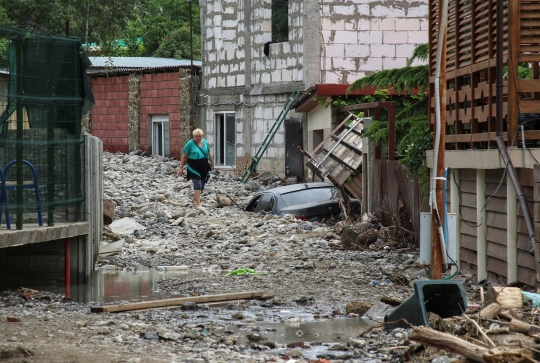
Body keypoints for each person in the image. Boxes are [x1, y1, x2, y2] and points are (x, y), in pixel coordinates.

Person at [178, 129, 214, 207]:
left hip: (204, 165)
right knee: (197, 183)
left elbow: (208, 153)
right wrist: (181, 168)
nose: (198, 138)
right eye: (197, 136)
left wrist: (212, 162)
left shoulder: (205, 142)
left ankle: (195, 198)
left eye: (200, 136)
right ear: (193, 136)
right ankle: (198, 203)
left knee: (202, 184)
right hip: (193, 166)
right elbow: (184, 156)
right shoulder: (190, 144)